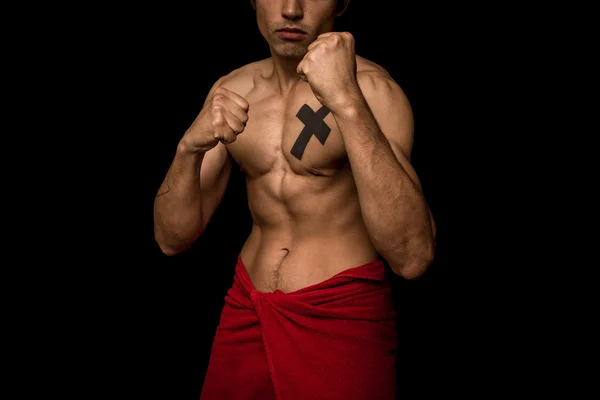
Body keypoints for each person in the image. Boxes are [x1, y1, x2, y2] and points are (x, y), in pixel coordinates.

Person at [153, 0, 436, 398]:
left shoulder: (374, 92)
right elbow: (171, 238)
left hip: (340, 317)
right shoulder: (231, 90)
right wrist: (187, 149)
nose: (290, 9)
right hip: (247, 310)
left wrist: (346, 101)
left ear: (342, 4)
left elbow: (413, 256)